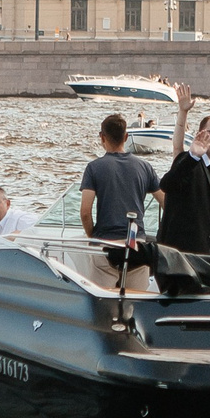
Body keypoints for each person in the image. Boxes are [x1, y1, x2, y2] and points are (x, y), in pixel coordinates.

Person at [78, 112, 162, 288]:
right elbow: (166, 203)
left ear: (102, 137)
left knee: (103, 304)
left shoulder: (94, 168)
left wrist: (93, 237)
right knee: (135, 304)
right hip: (136, 245)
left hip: (106, 244)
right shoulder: (145, 167)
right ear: (126, 136)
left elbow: (85, 212)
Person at [154, 83, 210, 256]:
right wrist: (183, 112)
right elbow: (167, 184)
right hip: (179, 256)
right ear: (201, 133)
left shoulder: (208, 167)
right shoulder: (189, 161)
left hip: (201, 256)